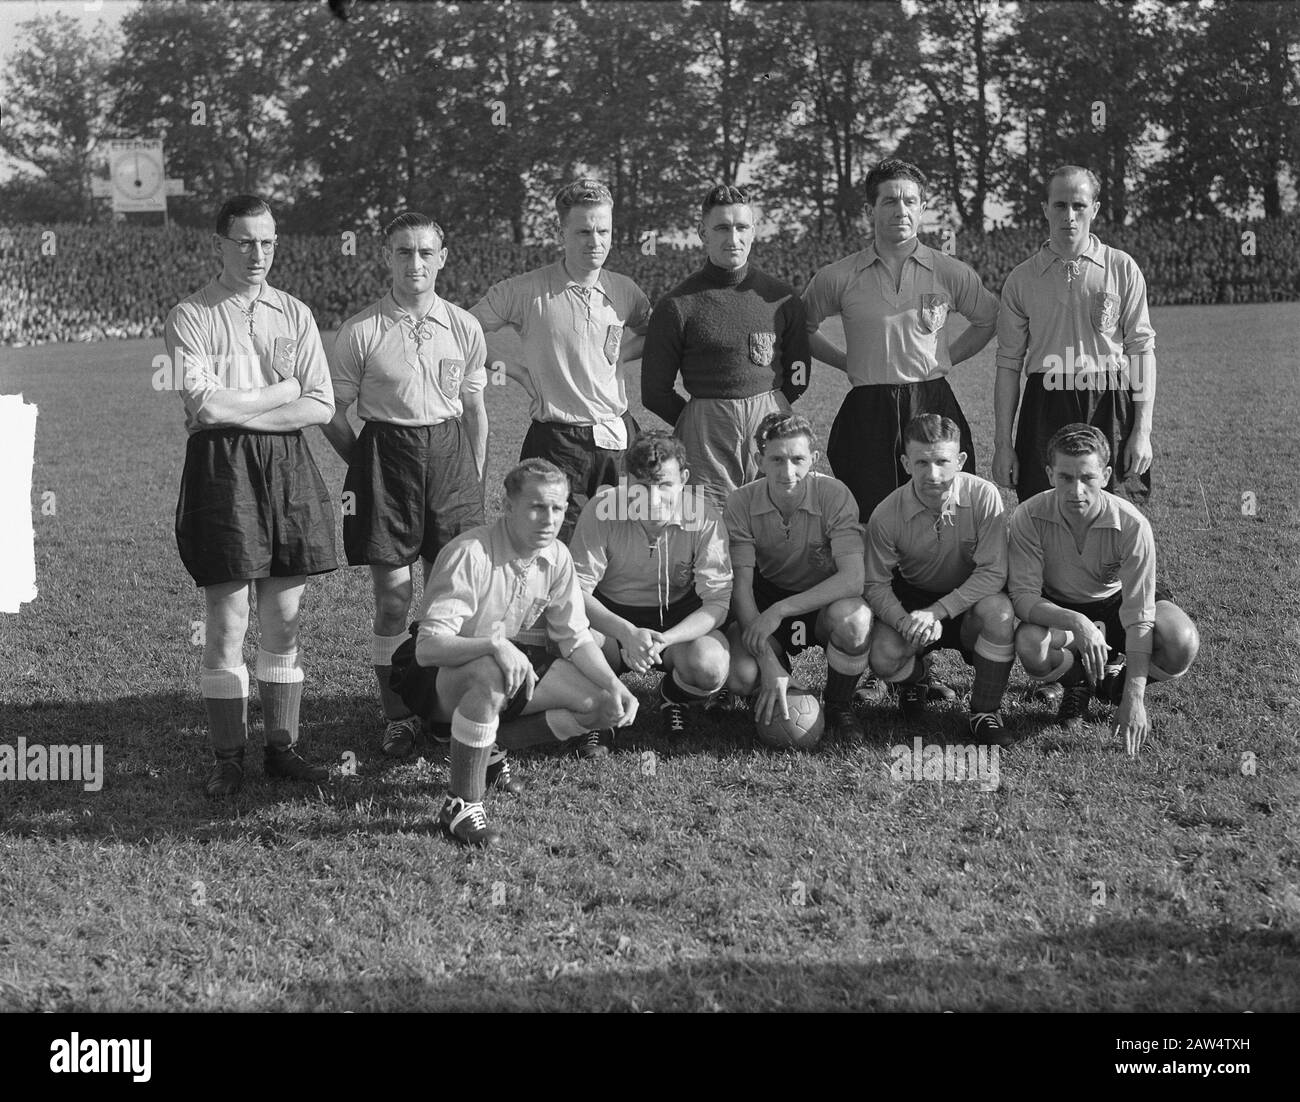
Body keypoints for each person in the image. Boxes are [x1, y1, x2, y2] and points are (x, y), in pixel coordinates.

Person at [166, 194, 337, 798]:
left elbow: (323, 403)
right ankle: (228, 756)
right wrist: (282, 391)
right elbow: (205, 404)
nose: (258, 253)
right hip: (220, 469)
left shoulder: (295, 312)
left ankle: (281, 749)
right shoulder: (191, 315)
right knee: (227, 620)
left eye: (267, 241)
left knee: (285, 616)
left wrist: (254, 408)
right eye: (245, 241)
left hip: (287, 464)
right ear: (221, 243)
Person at [389, 459, 639, 846]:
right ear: (507, 507)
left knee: (603, 706)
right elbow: (427, 649)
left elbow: (574, 637)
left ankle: (489, 747)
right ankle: (462, 804)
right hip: (436, 672)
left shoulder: (557, 556)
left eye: (558, 508)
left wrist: (613, 684)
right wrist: (494, 644)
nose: (549, 518)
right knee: (490, 672)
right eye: (537, 507)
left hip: (507, 659)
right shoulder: (470, 552)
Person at [324, 212, 488, 761]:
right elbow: (331, 411)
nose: (414, 263)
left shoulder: (464, 326)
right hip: (385, 460)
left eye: (424, 252)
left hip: (450, 463)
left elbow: (474, 411)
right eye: (402, 252)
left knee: (456, 599)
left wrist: (475, 477)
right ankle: (397, 716)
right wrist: (366, 464)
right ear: (387, 257)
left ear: (442, 258)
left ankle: (446, 710)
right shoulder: (361, 329)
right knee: (394, 600)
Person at [801, 159, 999, 525]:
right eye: (890, 201)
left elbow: (988, 319)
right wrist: (847, 361)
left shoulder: (950, 271)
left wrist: (945, 359)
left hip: (932, 399)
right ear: (869, 210)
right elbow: (803, 327)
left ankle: (940, 575)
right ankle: (875, 580)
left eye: (910, 201)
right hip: (867, 408)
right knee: (871, 513)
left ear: (923, 209)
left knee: (941, 506)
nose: (901, 210)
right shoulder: (837, 276)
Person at [471, 179, 652, 541]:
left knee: (619, 545)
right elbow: (465, 330)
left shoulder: (625, 289)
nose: (595, 241)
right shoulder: (524, 290)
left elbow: (653, 332)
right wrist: (517, 372)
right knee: (554, 550)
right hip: (555, 443)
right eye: (584, 231)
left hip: (616, 437)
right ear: (561, 231)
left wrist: (619, 359)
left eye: (604, 231)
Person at [1008, 424, 1199, 754]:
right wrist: (1077, 623)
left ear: (1106, 474)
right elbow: (1024, 599)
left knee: (1181, 640)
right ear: (1050, 473)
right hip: (1060, 606)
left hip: (1116, 601)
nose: (1076, 490)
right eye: (1065, 477)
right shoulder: (1027, 516)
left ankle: (1116, 684)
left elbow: (1139, 614)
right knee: (1029, 642)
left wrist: (1134, 696)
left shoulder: (1132, 523)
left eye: (1087, 478)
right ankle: (1077, 682)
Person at [640, 184, 810, 511]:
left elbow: (799, 374)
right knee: (711, 526)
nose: (733, 238)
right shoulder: (677, 305)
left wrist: (773, 408)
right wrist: (699, 418)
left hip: (770, 424)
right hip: (706, 435)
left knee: (777, 515)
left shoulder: (783, 298)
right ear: (702, 233)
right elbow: (654, 391)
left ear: (754, 231)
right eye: (721, 228)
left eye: (741, 227)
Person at [993, 165, 1156, 505]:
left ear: (1094, 209)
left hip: (1109, 399)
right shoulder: (1022, 279)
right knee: (1043, 510)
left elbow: (1141, 351)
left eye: (1079, 205)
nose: (1069, 215)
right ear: (1045, 208)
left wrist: (1141, 431)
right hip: (1045, 400)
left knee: (1114, 513)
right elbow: (1008, 365)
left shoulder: (1122, 267)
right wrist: (1003, 444)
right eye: (1060, 205)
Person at [568, 432, 732, 750]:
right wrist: (626, 632)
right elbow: (576, 591)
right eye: (642, 487)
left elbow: (717, 603)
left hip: (678, 621)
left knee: (710, 666)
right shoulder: (602, 508)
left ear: (684, 479)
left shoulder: (705, 517)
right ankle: (605, 708)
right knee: (571, 644)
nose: (653, 499)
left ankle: (674, 695)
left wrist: (668, 639)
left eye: (664, 485)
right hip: (612, 620)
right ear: (626, 481)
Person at [864, 415, 1017, 746]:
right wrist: (902, 620)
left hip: (969, 599)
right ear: (906, 463)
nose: (932, 474)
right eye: (921, 462)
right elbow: (875, 584)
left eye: (942, 461)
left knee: (1000, 612)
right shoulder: (886, 514)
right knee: (882, 655)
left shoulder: (984, 497)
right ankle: (917, 678)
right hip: (914, 601)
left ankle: (985, 712)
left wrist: (939, 611)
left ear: (960, 461)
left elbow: (993, 572)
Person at [723, 412, 872, 742]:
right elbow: (741, 589)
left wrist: (781, 610)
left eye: (797, 459)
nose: (787, 471)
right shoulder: (740, 501)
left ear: (814, 459)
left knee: (855, 619)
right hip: (765, 598)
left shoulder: (834, 494)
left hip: (821, 601)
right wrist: (766, 661)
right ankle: (775, 688)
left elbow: (852, 580)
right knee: (740, 675)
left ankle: (839, 707)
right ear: (758, 459)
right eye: (776, 459)